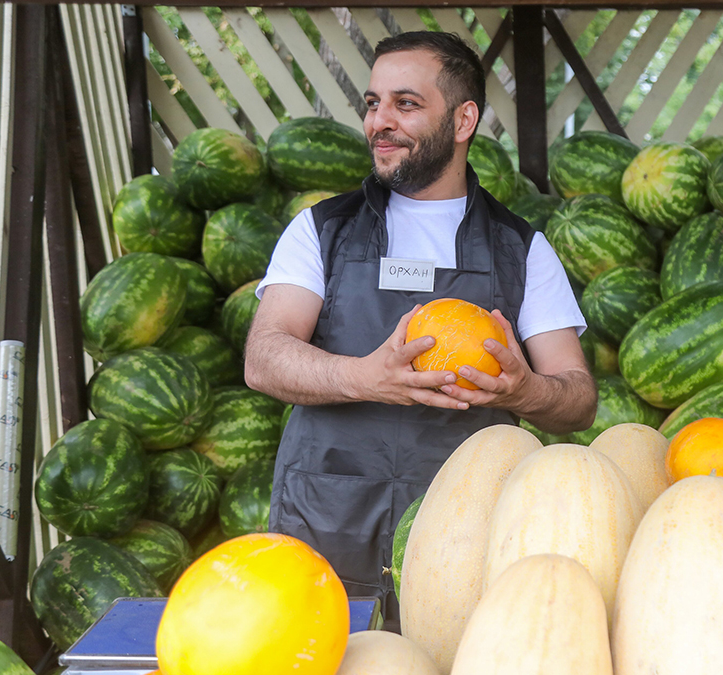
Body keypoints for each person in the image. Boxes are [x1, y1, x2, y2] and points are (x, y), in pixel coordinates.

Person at [243, 31, 597, 623]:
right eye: (373, 103)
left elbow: (579, 400)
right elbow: (265, 357)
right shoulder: (320, 231)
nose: (380, 121)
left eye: (405, 104)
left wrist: (527, 391)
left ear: (463, 120)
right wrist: (365, 377)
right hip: (325, 524)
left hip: (465, 535)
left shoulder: (523, 250)